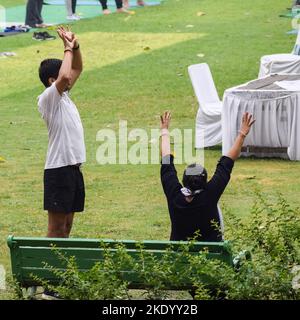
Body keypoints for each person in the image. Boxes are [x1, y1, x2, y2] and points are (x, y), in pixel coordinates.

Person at [160, 111, 255, 242]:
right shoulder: (210, 194)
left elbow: (166, 161)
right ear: (204, 182)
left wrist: (164, 130)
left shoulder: (174, 195)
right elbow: (227, 162)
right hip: (212, 259)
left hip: (179, 258)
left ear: (183, 180)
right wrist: (242, 134)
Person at [38, 26, 85, 240]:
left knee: (66, 227)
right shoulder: (48, 98)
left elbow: (76, 69)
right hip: (59, 170)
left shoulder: (63, 96)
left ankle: (62, 270)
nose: (67, 80)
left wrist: (74, 47)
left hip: (73, 170)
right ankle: (48, 271)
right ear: (51, 81)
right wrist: (66, 49)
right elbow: (66, 75)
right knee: (56, 229)